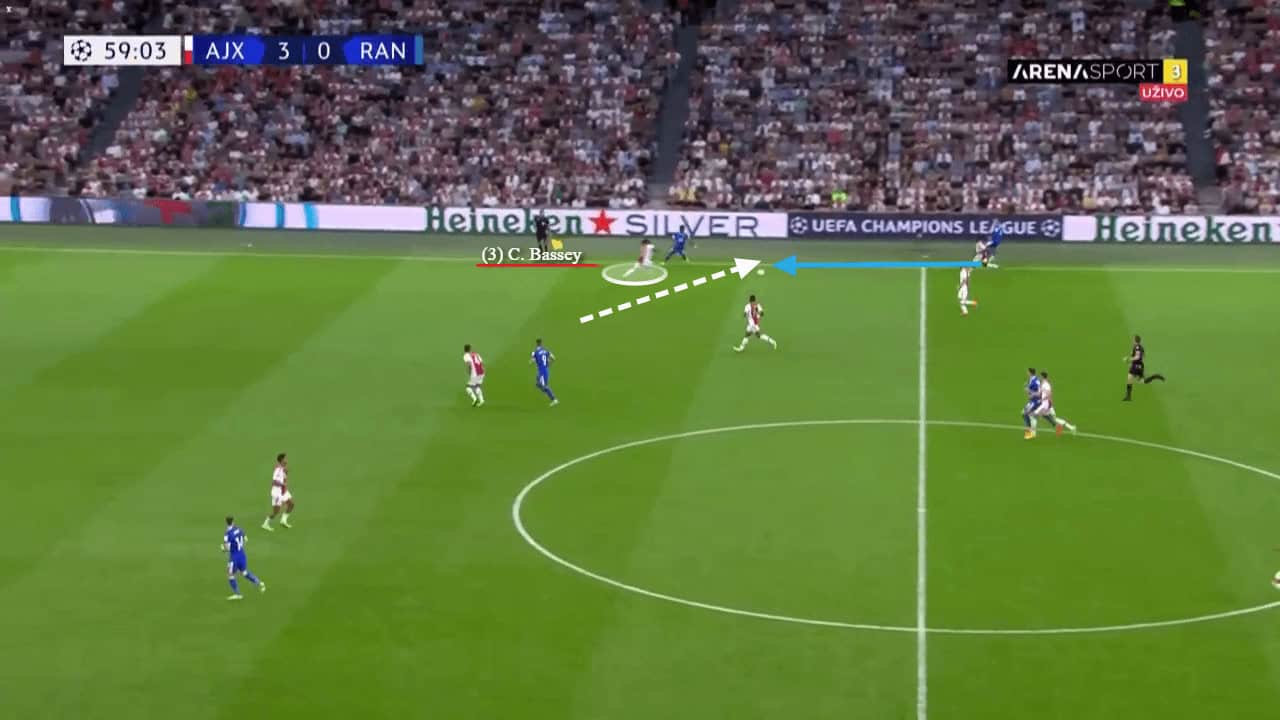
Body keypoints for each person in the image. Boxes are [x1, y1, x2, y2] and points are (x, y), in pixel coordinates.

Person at [223, 516, 265, 600]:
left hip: (234, 557)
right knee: (244, 572)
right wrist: (238, 546)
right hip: (242, 554)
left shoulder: (227, 533)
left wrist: (223, 549)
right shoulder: (239, 529)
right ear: (233, 521)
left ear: (226, 522)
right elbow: (246, 539)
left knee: (230, 574)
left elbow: (226, 548)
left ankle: (238, 594)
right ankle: (259, 583)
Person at [1029, 371, 1077, 438]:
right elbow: (1039, 393)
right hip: (1046, 405)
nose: (1039, 377)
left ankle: (1033, 434)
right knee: (1054, 419)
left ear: (1042, 377)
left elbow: (1049, 394)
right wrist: (1032, 393)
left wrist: (1043, 399)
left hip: (1045, 405)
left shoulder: (1046, 385)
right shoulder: (1042, 384)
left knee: (1033, 415)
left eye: (1040, 376)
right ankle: (1071, 427)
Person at [1123, 334, 1165, 401]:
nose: (1132, 340)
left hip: (1136, 366)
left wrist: (1128, 359)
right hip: (1139, 365)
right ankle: (1155, 376)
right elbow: (1143, 356)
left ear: (1135, 340)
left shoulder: (1137, 347)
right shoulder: (1141, 347)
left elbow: (1137, 357)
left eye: (1133, 339)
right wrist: (1132, 361)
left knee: (1130, 378)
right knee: (1142, 381)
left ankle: (1128, 397)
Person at [262, 453, 293, 531]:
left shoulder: (283, 468)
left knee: (291, 504)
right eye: (285, 458)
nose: (286, 460)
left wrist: (286, 473)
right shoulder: (278, 469)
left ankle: (283, 520)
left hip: (283, 491)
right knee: (276, 511)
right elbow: (274, 481)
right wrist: (283, 484)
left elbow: (284, 478)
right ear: (282, 460)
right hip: (277, 492)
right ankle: (265, 524)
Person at [531, 338, 558, 406]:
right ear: (541, 343)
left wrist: (531, 361)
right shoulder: (546, 351)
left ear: (536, 344)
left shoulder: (535, 352)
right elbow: (554, 358)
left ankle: (554, 399)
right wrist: (548, 364)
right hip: (545, 370)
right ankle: (541, 386)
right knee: (538, 382)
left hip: (542, 371)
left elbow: (532, 360)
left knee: (544, 386)